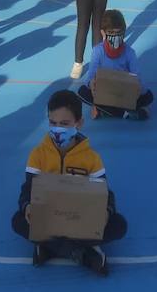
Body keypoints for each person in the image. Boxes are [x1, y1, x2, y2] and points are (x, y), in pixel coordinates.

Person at [12, 90, 127, 276]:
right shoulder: (37, 155)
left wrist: (106, 212)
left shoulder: (92, 159)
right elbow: (28, 189)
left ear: (79, 123)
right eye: (53, 123)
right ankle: (81, 254)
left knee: (118, 225)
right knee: (18, 221)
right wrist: (27, 207)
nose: (58, 130)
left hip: (79, 220)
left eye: (64, 124)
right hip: (49, 216)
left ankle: (49, 247)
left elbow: (105, 193)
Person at [76, 10, 154, 120]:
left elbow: (138, 78)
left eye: (119, 33)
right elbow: (90, 77)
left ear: (124, 33)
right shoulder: (98, 51)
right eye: (111, 33)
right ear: (103, 33)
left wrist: (138, 88)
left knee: (148, 96)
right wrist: (92, 84)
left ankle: (103, 110)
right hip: (105, 93)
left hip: (124, 93)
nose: (116, 37)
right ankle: (125, 114)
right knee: (82, 92)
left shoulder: (129, 52)